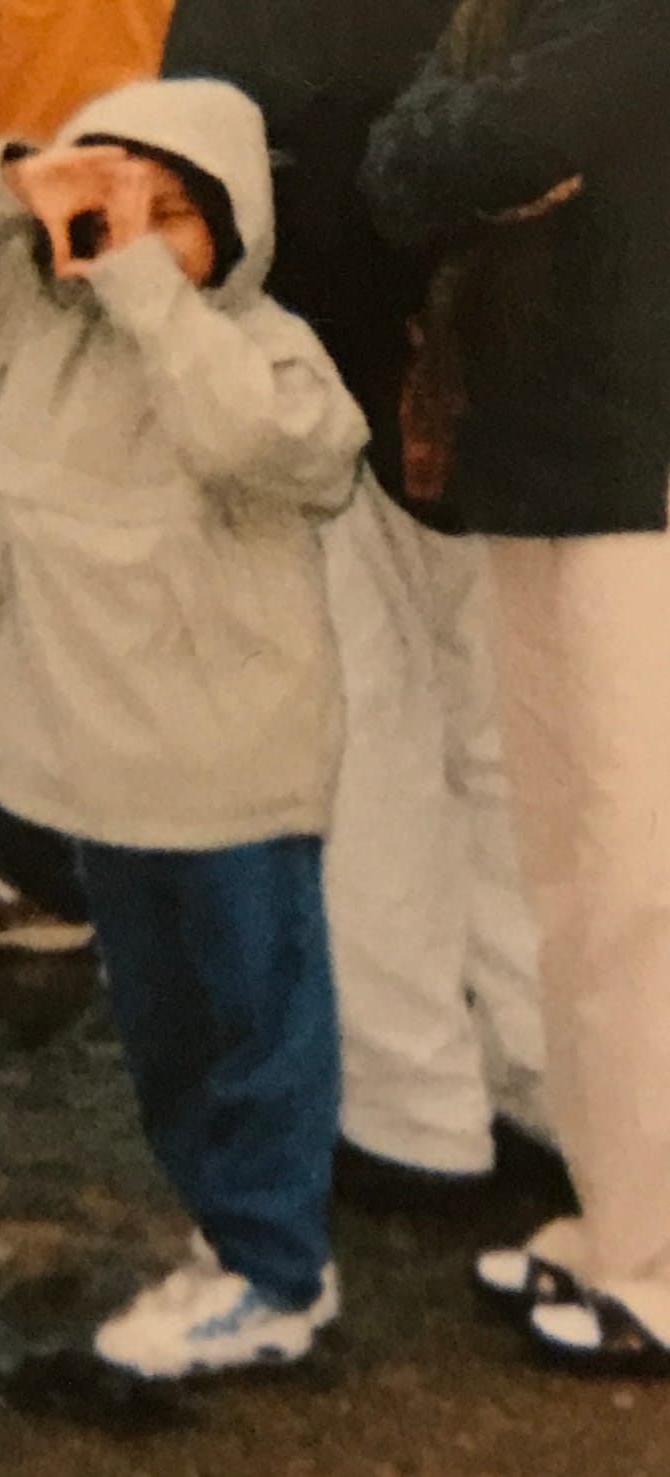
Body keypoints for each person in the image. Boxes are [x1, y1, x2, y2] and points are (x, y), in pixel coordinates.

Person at [0, 76, 368, 1377]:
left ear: (233, 227)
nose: (137, 234)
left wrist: (149, 288)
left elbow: (258, 444)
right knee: (163, 1039)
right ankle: (232, 1241)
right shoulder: (21, 337)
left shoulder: (266, 348)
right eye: (117, 206)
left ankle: (275, 1277)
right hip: (103, 788)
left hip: (235, 782)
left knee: (256, 1027)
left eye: (175, 213)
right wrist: (21, 178)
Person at [162, 0, 553, 1206]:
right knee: (507, 747)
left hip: (330, 379)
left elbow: (213, 171)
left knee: (372, 745)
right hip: (517, 388)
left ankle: (411, 1111)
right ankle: (534, 1080)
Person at [359, 0, 670, 1369]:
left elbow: (512, 128)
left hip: (637, 483)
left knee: (635, 883)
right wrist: (484, 157)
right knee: (572, 878)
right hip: (543, 468)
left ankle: (655, 1263)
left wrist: (486, 152)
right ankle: (626, 1222)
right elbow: (396, 173)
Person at [0, 0, 178, 963]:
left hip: (62, 211)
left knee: (45, 567)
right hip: (63, 199)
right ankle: (64, 864)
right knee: (30, 564)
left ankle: (64, 875)